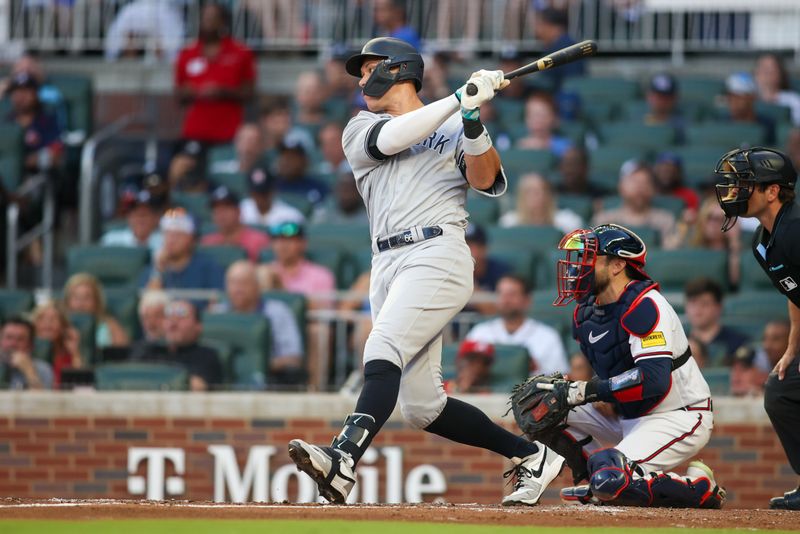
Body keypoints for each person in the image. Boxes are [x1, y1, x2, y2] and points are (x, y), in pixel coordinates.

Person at [287, 37, 563, 507]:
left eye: (369, 67)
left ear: (398, 70)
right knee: (422, 407)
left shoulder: (454, 122)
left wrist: (472, 122)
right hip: (387, 262)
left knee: (382, 345)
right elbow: (394, 138)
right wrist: (457, 100)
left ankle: (344, 458)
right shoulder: (360, 126)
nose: (360, 78)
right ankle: (531, 455)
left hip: (437, 252)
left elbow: (485, 180)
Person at [537, 224, 724, 509]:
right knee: (540, 406)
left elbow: (653, 380)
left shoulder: (645, 305)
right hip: (628, 414)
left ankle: (698, 486)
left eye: (588, 258)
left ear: (617, 265)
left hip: (676, 415)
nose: (578, 267)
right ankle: (596, 478)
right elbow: (616, 366)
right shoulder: (586, 311)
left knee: (612, 480)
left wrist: (592, 390)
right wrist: (592, 392)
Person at [713, 146, 800, 509]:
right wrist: (793, 348)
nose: (734, 190)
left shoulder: (796, 229)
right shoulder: (762, 242)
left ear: (772, 191)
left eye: (745, 183)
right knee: (781, 391)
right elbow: (795, 291)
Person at [211, 260, 305, 385]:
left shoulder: (278, 312)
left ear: (257, 286)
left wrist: (260, 364)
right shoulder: (217, 313)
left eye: (244, 283)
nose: (238, 289)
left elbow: (294, 358)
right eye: (233, 283)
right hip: (223, 379)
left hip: (271, 379)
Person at [174, 2, 255, 145]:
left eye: (212, 18)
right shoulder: (187, 54)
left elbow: (250, 93)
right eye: (204, 17)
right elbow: (178, 95)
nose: (207, 22)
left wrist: (223, 92)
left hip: (228, 133)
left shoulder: (241, 53)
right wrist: (192, 92)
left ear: (222, 22)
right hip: (195, 131)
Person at [466, 275, 568, 375]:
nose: (506, 300)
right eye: (501, 294)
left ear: (527, 300)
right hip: (488, 391)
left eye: (512, 294)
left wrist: (536, 369)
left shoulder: (548, 336)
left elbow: (560, 378)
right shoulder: (480, 332)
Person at [130, 299, 223, 392]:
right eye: (168, 318)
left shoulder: (207, 356)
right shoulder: (147, 350)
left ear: (198, 326)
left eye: (181, 318)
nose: (173, 324)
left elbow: (200, 387)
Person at [591, 161, 679, 249]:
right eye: (634, 181)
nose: (640, 186)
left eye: (645, 182)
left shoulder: (665, 220)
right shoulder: (604, 221)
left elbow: (670, 253)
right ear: (621, 186)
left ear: (653, 189)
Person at [139, 208, 225, 291]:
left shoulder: (208, 268)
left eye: (178, 235)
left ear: (192, 239)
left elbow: (218, 301)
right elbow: (148, 301)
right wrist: (158, 271)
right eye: (167, 234)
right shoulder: (155, 267)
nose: (171, 240)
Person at [264, 221, 335, 307]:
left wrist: (281, 289)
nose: (282, 245)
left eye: (289, 240)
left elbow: (324, 313)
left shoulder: (321, 276)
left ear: (303, 243)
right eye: (278, 240)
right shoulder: (264, 272)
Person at [4, 71, 63, 174]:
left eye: (26, 91)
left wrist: (20, 161)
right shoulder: (5, 122)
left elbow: (56, 155)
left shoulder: (47, 121)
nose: (21, 97)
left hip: (37, 178)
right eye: (17, 92)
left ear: (36, 94)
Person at [677, 197, 743, 289]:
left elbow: (734, 280)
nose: (713, 224)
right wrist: (683, 228)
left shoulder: (734, 252)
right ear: (702, 219)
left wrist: (734, 240)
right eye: (709, 217)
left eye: (720, 219)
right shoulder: (692, 247)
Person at [683, 277, 750, 366]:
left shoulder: (739, 344)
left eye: (704, 304)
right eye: (693, 303)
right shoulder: (678, 343)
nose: (697, 309)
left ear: (719, 307)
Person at [201, 185, 270, 262]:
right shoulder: (207, 242)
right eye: (216, 209)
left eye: (226, 208)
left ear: (238, 211)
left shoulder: (258, 240)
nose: (221, 213)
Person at [499, 173, 584, 234]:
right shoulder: (508, 223)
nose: (538, 195)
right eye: (530, 191)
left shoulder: (568, 222)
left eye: (542, 190)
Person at [63, 273, 130, 349]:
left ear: (96, 301)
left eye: (87, 297)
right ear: (67, 301)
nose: (81, 303)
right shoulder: (59, 327)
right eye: (76, 297)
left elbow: (124, 355)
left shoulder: (110, 325)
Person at [103, 0, 185, 62]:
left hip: (161, 61)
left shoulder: (166, 12)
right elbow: (116, 39)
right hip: (131, 63)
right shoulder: (131, 10)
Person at [31, 301, 82, 390]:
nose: (47, 323)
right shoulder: (27, 350)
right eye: (41, 318)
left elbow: (80, 385)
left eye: (54, 319)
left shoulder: (69, 353)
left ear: (63, 326)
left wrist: (75, 353)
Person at [101, 186, 164, 256]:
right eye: (136, 215)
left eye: (144, 215)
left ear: (155, 218)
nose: (140, 220)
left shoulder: (166, 242)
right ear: (129, 218)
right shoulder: (112, 241)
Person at [532, 8, 585, 91]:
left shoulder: (567, 49)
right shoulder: (552, 47)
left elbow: (573, 83)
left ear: (552, 26)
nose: (536, 30)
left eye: (540, 24)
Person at [239, 165, 306, 227]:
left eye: (264, 193)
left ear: (273, 191)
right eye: (256, 193)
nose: (260, 197)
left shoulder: (290, 216)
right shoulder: (241, 210)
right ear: (250, 193)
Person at [722, 72, 775, 145]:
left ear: (752, 98)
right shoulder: (721, 124)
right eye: (730, 96)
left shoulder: (768, 127)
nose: (733, 101)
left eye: (738, 97)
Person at [0, 317, 52, 390]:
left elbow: (41, 400)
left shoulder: (43, 369)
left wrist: (29, 371)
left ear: (30, 345)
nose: (13, 344)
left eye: (20, 339)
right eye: (8, 337)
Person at [274, 140, 330, 206]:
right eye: (284, 156)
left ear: (304, 161)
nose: (286, 162)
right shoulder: (271, 187)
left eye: (292, 157)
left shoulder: (318, 188)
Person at [515, 93, 572, 157]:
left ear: (554, 118)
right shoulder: (519, 147)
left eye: (542, 115)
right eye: (531, 115)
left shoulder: (566, 148)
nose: (536, 120)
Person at [754, 53, 800, 127]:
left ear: (780, 74)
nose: (767, 73)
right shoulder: (746, 99)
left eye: (771, 69)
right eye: (763, 68)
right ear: (756, 73)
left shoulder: (793, 101)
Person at [642, 73, 686, 144]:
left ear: (675, 98)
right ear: (648, 96)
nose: (661, 101)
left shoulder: (682, 126)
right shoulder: (637, 121)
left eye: (666, 97)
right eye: (658, 96)